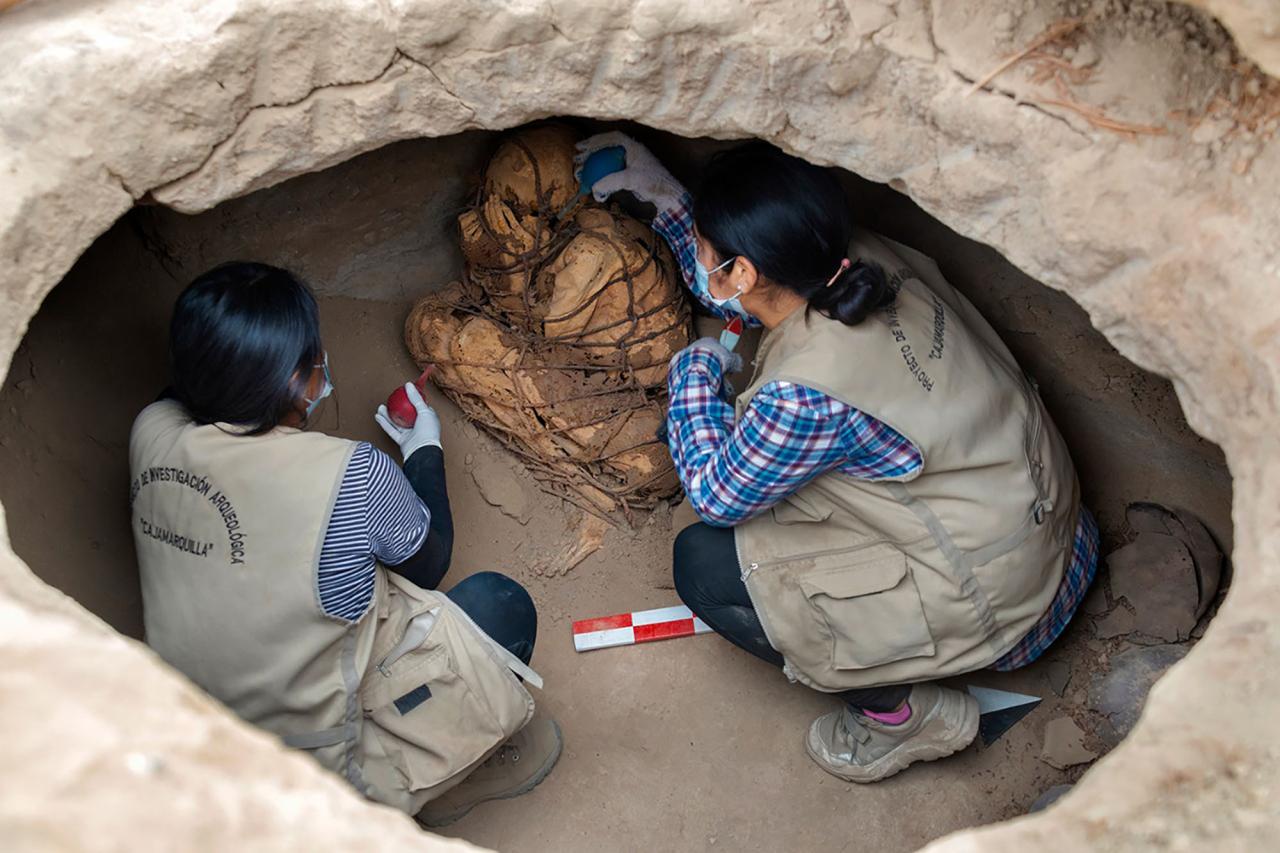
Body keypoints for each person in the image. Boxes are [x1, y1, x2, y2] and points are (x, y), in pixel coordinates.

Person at [577, 134, 1100, 783]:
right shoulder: (853, 256)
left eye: (708, 251)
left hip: (1011, 604)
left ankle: (899, 716)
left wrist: (689, 375)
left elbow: (714, 492)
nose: (704, 259)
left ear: (742, 270)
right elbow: (744, 291)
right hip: (1052, 523)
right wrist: (662, 196)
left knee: (705, 561)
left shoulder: (804, 397)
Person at [128, 262, 561, 826]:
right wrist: (423, 450)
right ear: (291, 383)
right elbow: (429, 562)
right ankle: (426, 787)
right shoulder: (352, 475)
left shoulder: (151, 430)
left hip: (198, 737)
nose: (320, 371)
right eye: (312, 364)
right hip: (310, 774)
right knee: (499, 606)